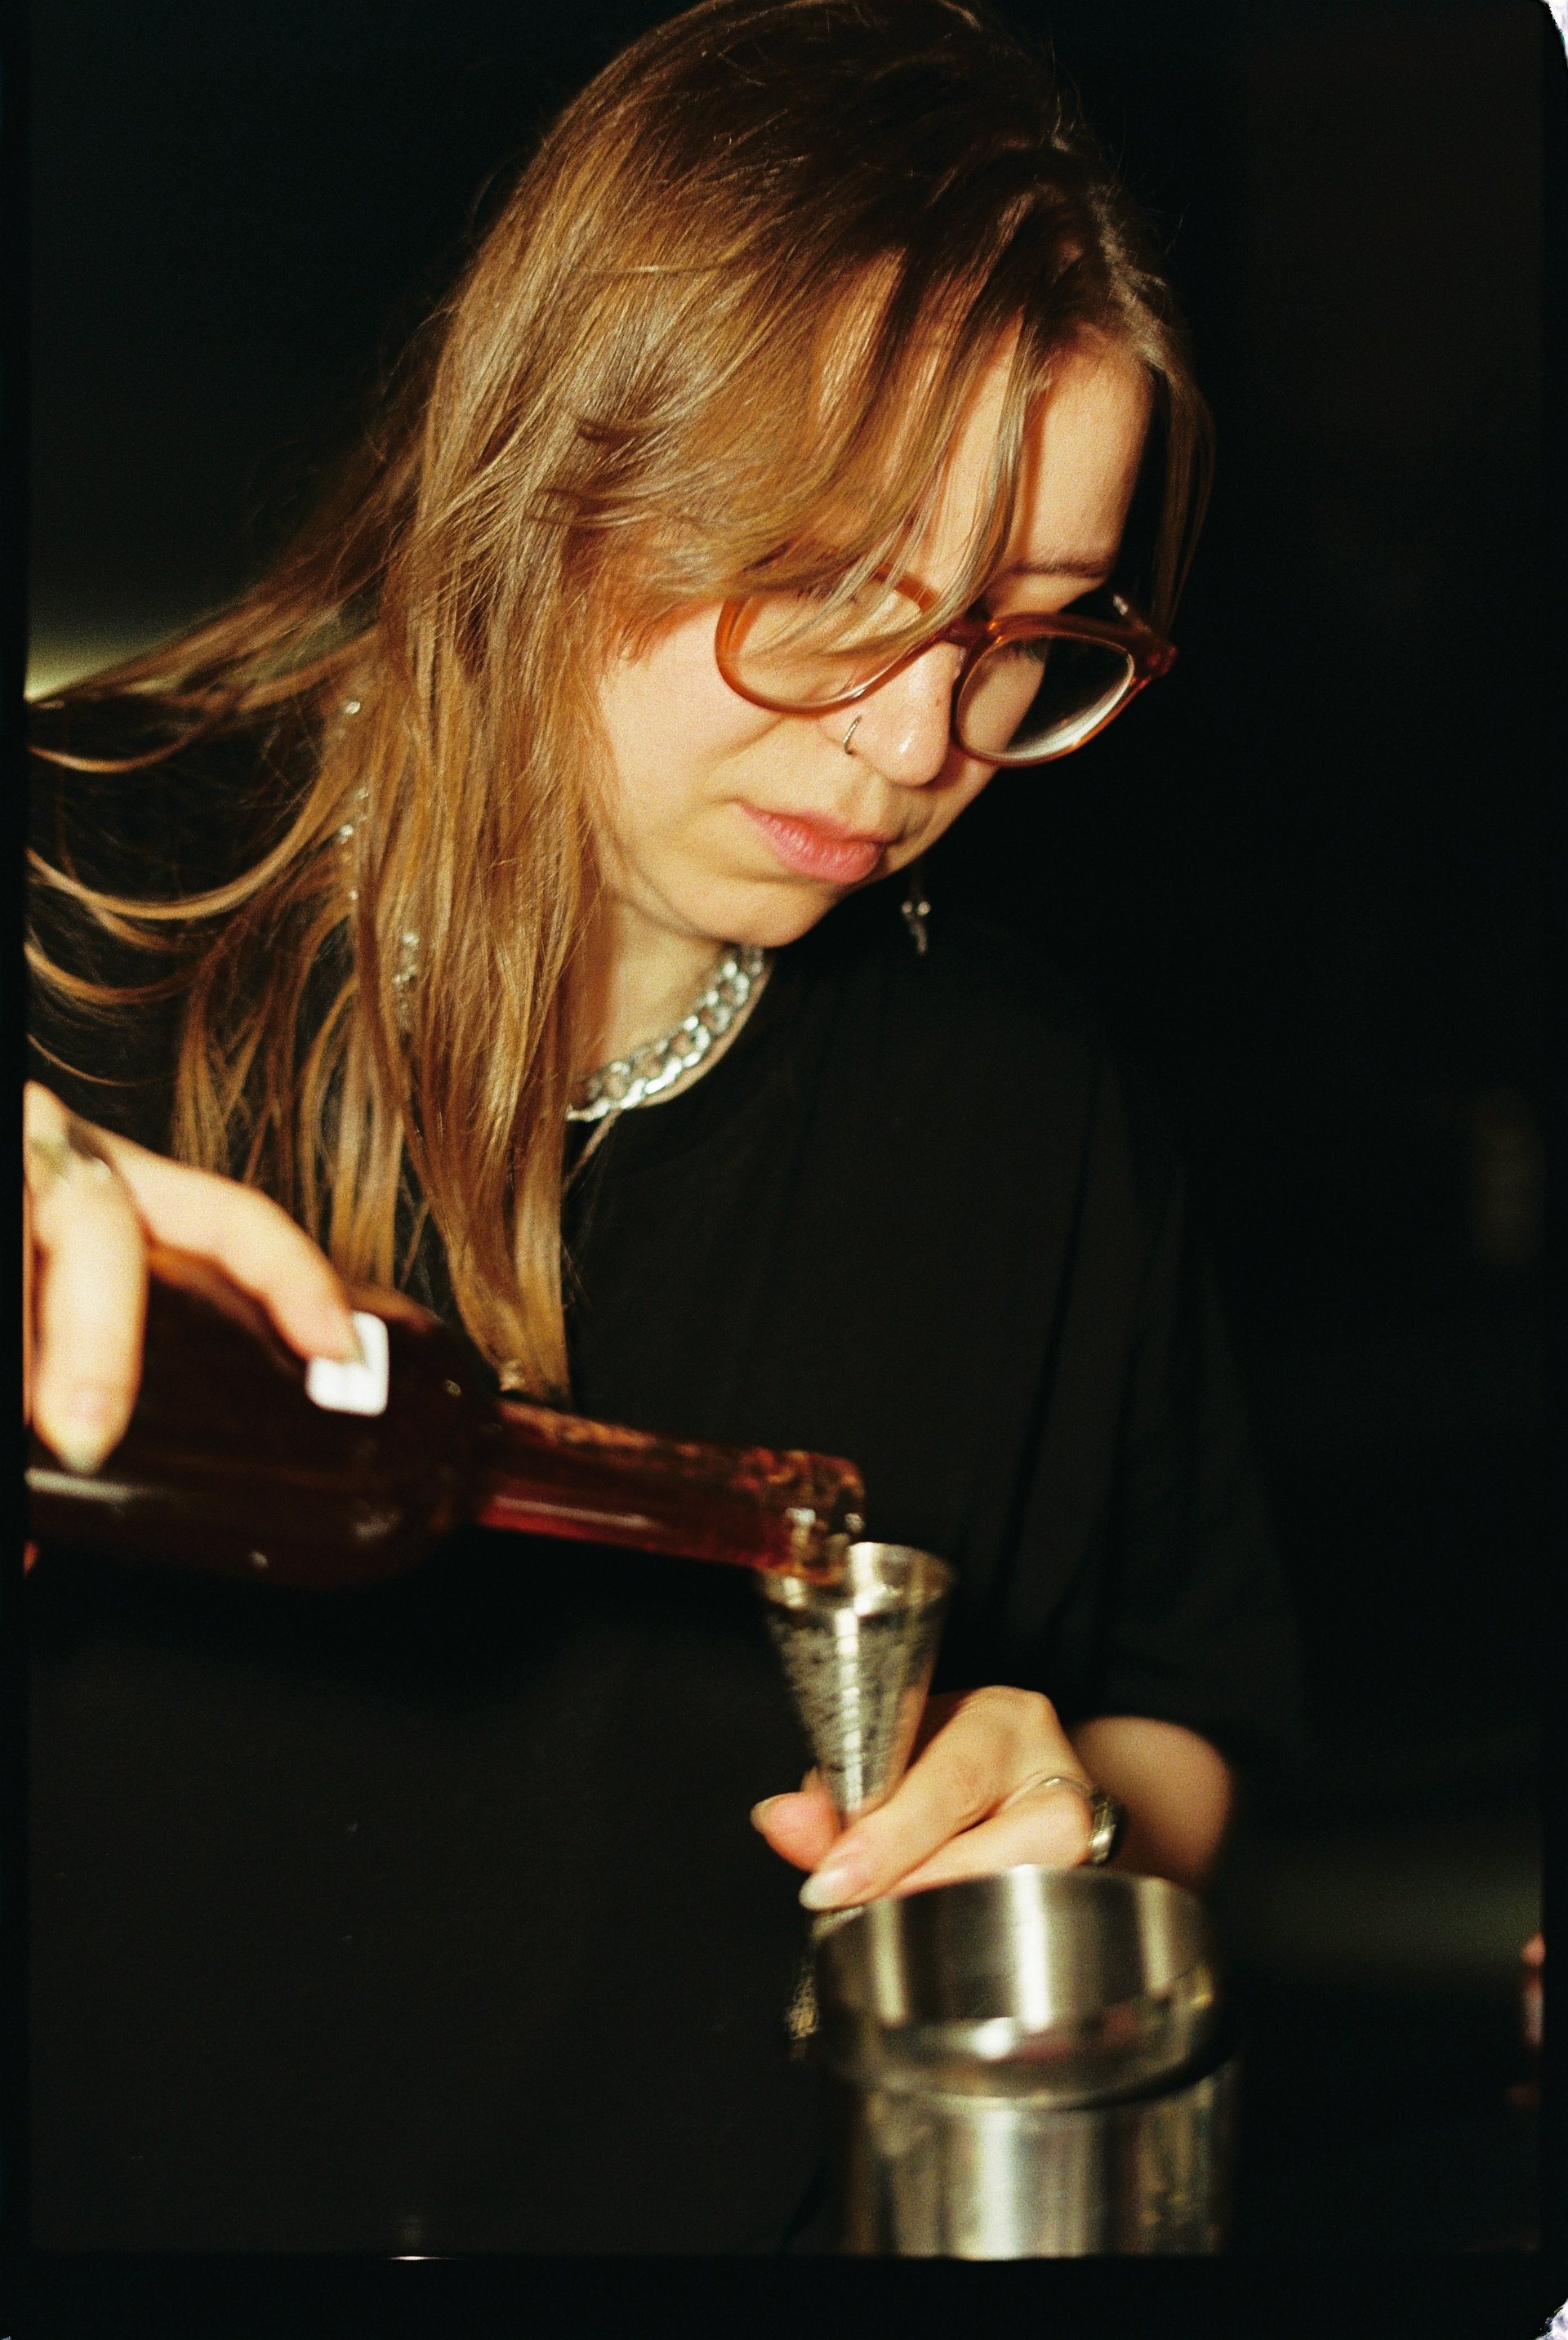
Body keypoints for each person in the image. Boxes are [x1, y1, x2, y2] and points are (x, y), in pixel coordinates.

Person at [24, 0, 1302, 2252]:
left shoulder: (1023, 1103)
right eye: (832, 591)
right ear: (559, 463)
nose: (921, 744)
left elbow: (1196, 1724)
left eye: (1025, 633)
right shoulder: (66, 913)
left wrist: (1081, 1821)